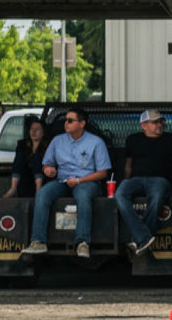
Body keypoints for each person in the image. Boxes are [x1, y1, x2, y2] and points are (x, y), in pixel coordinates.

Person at [22, 107, 112, 260]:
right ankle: (38, 241)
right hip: (62, 181)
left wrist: (79, 180)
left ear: (82, 123)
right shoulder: (57, 140)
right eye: (65, 120)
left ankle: (83, 242)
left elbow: (103, 173)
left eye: (70, 120)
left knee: (83, 195)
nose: (66, 123)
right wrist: (48, 170)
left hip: (86, 182)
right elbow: (46, 164)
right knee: (42, 193)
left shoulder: (96, 142)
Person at [114, 110, 172, 250]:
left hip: (160, 180)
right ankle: (143, 235)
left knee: (156, 197)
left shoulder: (170, 138)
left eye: (161, 122)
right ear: (144, 125)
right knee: (120, 194)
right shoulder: (133, 139)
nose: (159, 125)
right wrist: (126, 181)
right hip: (136, 179)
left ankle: (141, 238)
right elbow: (128, 165)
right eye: (155, 122)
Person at [7, 115, 50, 199]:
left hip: (43, 176)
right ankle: (13, 188)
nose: (33, 131)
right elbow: (18, 162)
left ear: (43, 132)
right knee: (20, 156)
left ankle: (39, 190)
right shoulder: (22, 144)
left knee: (36, 157)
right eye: (32, 129)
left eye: (37, 129)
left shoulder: (48, 146)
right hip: (25, 178)